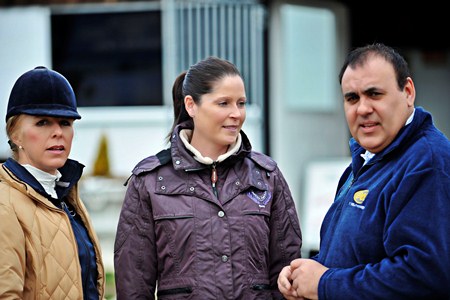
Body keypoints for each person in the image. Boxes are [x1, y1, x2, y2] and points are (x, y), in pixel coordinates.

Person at [114, 56, 302, 299]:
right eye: (223, 103)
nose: (236, 113)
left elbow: (288, 274)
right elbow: (134, 284)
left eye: (241, 103)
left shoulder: (266, 176)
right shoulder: (150, 181)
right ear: (191, 105)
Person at [277, 43, 450, 300]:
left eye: (375, 94)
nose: (363, 109)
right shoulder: (366, 160)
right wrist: (303, 273)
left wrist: (324, 283)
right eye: (352, 98)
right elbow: (352, 254)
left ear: (408, 92)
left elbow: (423, 276)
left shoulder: (426, 162)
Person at [0, 66, 105, 299]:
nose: (58, 132)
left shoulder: (65, 196)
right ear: (15, 134)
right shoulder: (4, 203)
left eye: (66, 123)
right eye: (43, 122)